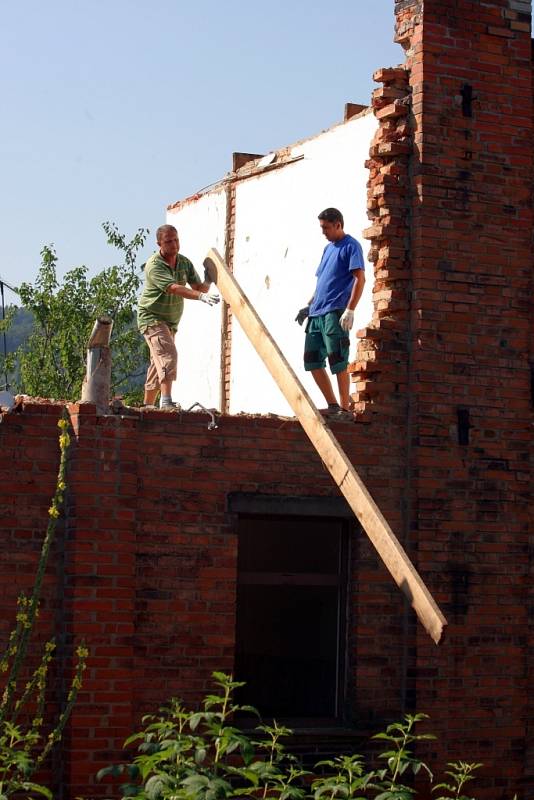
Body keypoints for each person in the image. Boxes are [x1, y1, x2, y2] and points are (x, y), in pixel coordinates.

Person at [137, 224, 219, 408]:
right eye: (168, 241)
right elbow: (173, 288)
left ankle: (147, 407)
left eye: (176, 240)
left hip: (170, 322)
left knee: (157, 364)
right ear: (159, 243)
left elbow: (198, 288)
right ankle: (166, 402)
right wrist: (201, 296)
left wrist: (207, 280)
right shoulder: (154, 265)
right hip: (151, 318)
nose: (174, 244)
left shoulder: (184, 263)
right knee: (168, 355)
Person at [296, 208, 365, 415]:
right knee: (312, 359)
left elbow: (359, 279)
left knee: (338, 360)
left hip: (335, 312)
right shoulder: (328, 249)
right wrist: (308, 306)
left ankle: (344, 408)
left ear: (338, 224)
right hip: (317, 313)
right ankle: (333, 405)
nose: (323, 231)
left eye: (326, 227)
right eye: (321, 227)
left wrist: (350, 309)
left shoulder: (351, 246)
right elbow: (322, 283)